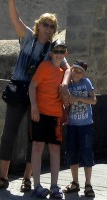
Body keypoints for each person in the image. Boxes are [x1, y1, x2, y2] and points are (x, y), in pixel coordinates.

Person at [0, 0, 69, 192]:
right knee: (9, 134)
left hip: (39, 94)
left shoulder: (54, 49)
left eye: (51, 26)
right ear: (38, 25)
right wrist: (11, 0)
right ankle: (3, 177)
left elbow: (68, 68)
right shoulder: (27, 38)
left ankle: (27, 179)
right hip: (18, 89)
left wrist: (65, 84)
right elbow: (16, 19)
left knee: (33, 138)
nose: (48, 28)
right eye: (45, 24)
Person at [29, 38, 68, 199]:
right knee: (37, 146)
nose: (59, 54)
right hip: (40, 113)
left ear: (65, 54)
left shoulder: (63, 72)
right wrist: (34, 107)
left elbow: (69, 73)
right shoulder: (45, 66)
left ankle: (54, 185)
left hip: (55, 114)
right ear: (51, 53)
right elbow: (32, 86)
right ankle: (37, 184)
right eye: (56, 51)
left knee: (54, 149)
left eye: (62, 52)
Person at [61, 60, 96, 197]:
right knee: (72, 153)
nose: (76, 73)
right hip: (72, 124)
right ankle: (75, 182)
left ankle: (88, 184)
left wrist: (78, 99)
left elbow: (93, 100)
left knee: (87, 154)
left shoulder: (86, 82)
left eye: (80, 71)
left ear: (83, 74)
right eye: (75, 70)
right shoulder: (68, 84)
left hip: (86, 125)